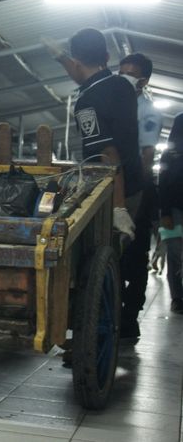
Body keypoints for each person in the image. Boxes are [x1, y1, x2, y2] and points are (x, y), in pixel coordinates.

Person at [50, 28, 144, 340]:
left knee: (97, 265)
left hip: (112, 191)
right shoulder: (122, 85)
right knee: (123, 264)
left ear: (77, 63)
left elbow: (108, 154)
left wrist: (117, 208)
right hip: (135, 187)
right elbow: (83, 70)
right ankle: (114, 329)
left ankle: (90, 337)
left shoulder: (88, 100)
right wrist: (64, 57)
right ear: (106, 58)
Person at [117, 53, 164, 337]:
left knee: (134, 255)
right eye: (120, 72)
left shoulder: (147, 111)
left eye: (130, 74)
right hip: (113, 187)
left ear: (143, 80)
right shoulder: (115, 102)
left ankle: (130, 314)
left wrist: (138, 197)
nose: (123, 78)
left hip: (137, 190)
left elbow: (147, 156)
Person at [159, 113, 183, 313]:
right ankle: (177, 297)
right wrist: (164, 212)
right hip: (173, 212)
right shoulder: (169, 154)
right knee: (174, 254)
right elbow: (163, 184)